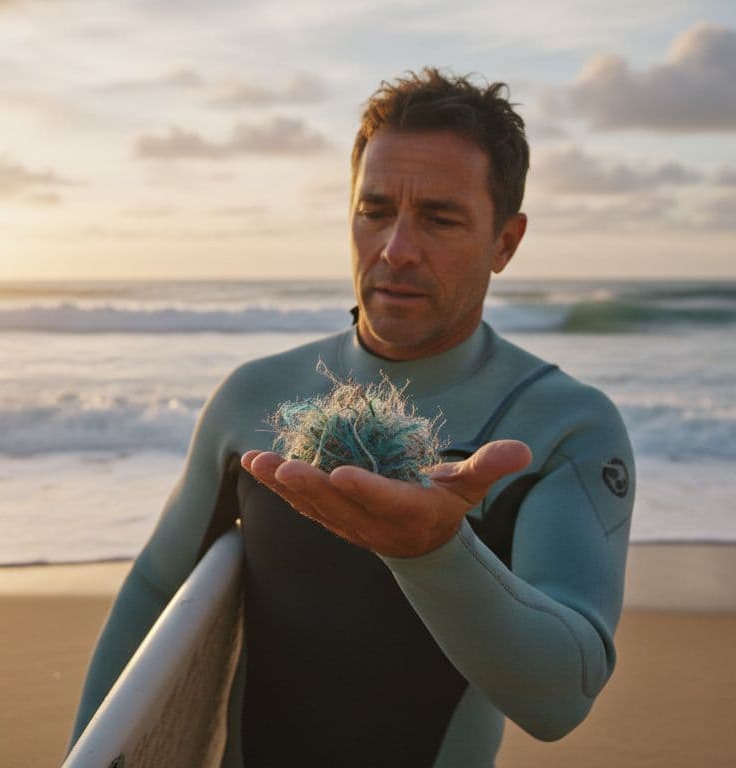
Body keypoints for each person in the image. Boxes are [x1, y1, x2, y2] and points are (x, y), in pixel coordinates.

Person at [68, 68, 634, 767]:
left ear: (505, 243)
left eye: (440, 217)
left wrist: (431, 550)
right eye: (374, 211)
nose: (396, 249)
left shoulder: (558, 428)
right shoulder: (255, 395)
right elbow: (157, 588)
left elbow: (562, 697)